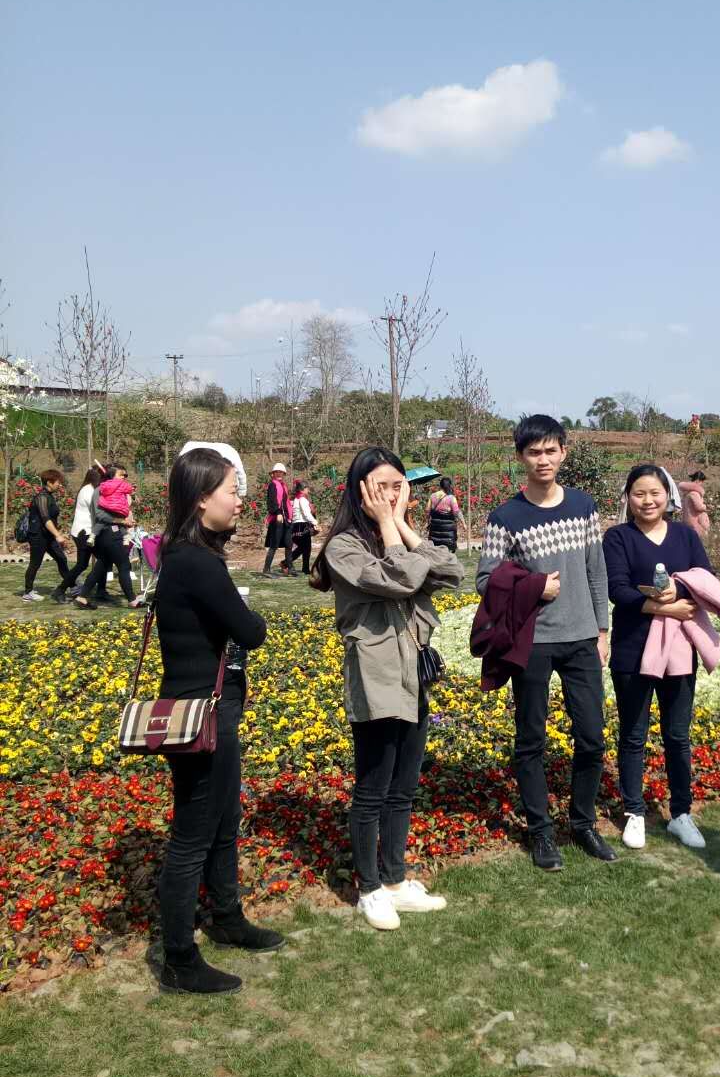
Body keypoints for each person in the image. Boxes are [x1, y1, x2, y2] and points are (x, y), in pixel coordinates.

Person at [312, 447, 463, 931]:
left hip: (413, 673)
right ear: (359, 491)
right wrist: (390, 527)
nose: (393, 494)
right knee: (373, 788)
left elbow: (451, 572)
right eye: (382, 487)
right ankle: (369, 888)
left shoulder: (394, 532)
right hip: (376, 673)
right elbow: (402, 579)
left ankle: (396, 880)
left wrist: (398, 525)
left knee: (403, 785)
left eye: (399, 486)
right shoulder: (344, 548)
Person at [155, 447, 281, 995]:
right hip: (199, 716)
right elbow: (249, 631)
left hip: (210, 708)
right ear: (202, 498)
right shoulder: (197, 562)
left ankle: (227, 917)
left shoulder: (184, 554)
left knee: (224, 818)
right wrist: (251, 617)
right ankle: (179, 958)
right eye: (232, 490)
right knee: (192, 836)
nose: (240, 500)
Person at [476, 415, 614, 871]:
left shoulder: (583, 506)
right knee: (530, 738)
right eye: (534, 452)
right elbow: (485, 580)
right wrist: (535, 587)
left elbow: (596, 571)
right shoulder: (505, 517)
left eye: (550, 450)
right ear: (521, 457)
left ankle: (583, 822)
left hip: (581, 638)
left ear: (563, 453)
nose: (543, 459)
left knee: (591, 737)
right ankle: (540, 831)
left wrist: (602, 630)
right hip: (532, 642)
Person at [604, 465, 716, 850]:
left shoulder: (685, 536)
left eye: (655, 493)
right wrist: (664, 608)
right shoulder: (618, 538)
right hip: (632, 650)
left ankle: (681, 814)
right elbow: (617, 589)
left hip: (679, 651)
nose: (648, 501)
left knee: (677, 735)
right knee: (634, 734)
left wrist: (679, 591)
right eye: (639, 493)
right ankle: (634, 812)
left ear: (668, 495)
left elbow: (707, 578)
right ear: (628, 498)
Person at [72, 465, 139, 611]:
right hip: (107, 533)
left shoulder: (118, 491)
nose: (124, 477)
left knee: (101, 565)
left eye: (125, 475)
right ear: (111, 475)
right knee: (124, 565)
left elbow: (121, 511)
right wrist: (121, 521)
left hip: (114, 532)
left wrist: (126, 520)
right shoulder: (100, 490)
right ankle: (132, 600)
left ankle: (82, 597)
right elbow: (100, 515)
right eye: (121, 474)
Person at [22, 470, 74, 603]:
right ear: (49, 482)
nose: (59, 485)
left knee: (61, 559)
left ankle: (72, 587)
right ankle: (28, 592)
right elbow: (45, 519)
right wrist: (58, 535)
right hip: (38, 536)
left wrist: (57, 534)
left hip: (49, 536)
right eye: (58, 482)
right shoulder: (41, 497)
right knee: (35, 563)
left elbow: (52, 519)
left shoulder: (50, 496)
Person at [67, 462, 108, 598]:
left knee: (102, 560)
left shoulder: (91, 489)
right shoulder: (88, 491)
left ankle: (101, 591)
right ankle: (60, 590)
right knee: (82, 564)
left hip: (89, 531)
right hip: (83, 532)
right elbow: (99, 512)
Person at [262, 462, 294, 577]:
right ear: (273, 474)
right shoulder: (272, 485)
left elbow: (285, 502)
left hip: (286, 519)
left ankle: (290, 568)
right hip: (277, 518)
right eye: (277, 472)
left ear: (284, 474)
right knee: (274, 545)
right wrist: (278, 512)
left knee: (289, 544)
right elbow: (272, 501)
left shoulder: (283, 485)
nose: (279, 474)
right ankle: (266, 569)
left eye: (281, 472)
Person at [287, 480, 319, 575]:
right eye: (307, 488)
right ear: (303, 489)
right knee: (303, 548)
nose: (308, 490)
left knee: (306, 548)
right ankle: (285, 563)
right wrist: (315, 523)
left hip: (297, 525)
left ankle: (305, 568)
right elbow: (306, 514)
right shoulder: (302, 499)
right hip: (301, 525)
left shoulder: (296, 499)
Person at [427, 476, 461, 552]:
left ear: (440, 485)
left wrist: (428, 521)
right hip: (448, 532)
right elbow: (456, 512)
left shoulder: (432, 496)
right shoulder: (451, 498)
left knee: (436, 550)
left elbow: (427, 510)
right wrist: (462, 523)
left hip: (435, 528)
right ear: (449, 485)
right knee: (448, 551)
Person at [677, 471, 710, 539]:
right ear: (698, 480)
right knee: (698, 540)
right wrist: (705, 506)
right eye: (702, 481)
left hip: (688, 518)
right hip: (696, 521)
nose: (702, 484)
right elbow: (699, 507)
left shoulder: (687, 492)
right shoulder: (694, 493)